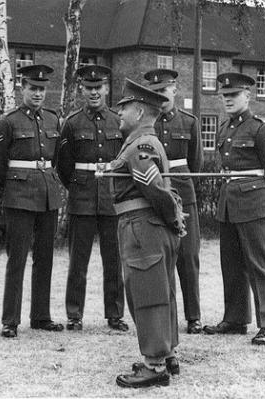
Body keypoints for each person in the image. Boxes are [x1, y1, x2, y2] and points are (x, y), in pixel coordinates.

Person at [203, 72, 265, 345]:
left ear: (247, 96)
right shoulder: (225, 128)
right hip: (228, 203)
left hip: (254, 204)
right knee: (231, 264)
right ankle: (236, 319)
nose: (228, 100)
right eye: (224, 96)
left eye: (234, 95)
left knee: (258, 265)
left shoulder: (261, 129)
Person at [111, 79, 185, 389]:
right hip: (148, 225)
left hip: (142, 225)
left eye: (124, 108)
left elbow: (153, 188)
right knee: (161, 289)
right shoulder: (142, 142)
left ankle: (154, 364)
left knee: (148, 292)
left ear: (139, 110)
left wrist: (173, 218)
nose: (120, 114)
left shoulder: (140, 145)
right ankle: (166, 354)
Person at [0, 64, 64, 338]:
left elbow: (58, 161)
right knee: (17, 258)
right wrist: (11, 188)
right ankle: (10, 320)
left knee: (45, 258)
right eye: (33, 88)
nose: (38, 94)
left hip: (47, 196)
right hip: (19, 197)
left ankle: (41, 316)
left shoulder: (54, 120)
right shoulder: (8, 122)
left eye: (42, 89)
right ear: (23, 88)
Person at [57, 65, 127, 332]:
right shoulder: (72, 123)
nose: (94, 92)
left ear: (107, 88)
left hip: (110, 197)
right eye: (89, 88)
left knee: (114, 259)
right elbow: (64, 166)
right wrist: (78, 187)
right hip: (82, 198)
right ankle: (74, 314)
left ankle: (115, 314)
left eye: (99, 87)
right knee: (78, 261)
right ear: (81, 90)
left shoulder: (118, 120)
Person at [144, 68, 204, 334]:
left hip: (184, 194)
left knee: (188, 257)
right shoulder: (146, 124)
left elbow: (196, 163)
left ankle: (194, 317)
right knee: (161, 258)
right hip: (156, 196)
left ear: (174, 90)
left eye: (164, 91)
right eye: (155, 93)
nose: (160, 97)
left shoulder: (189, 122)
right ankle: (164, 316)